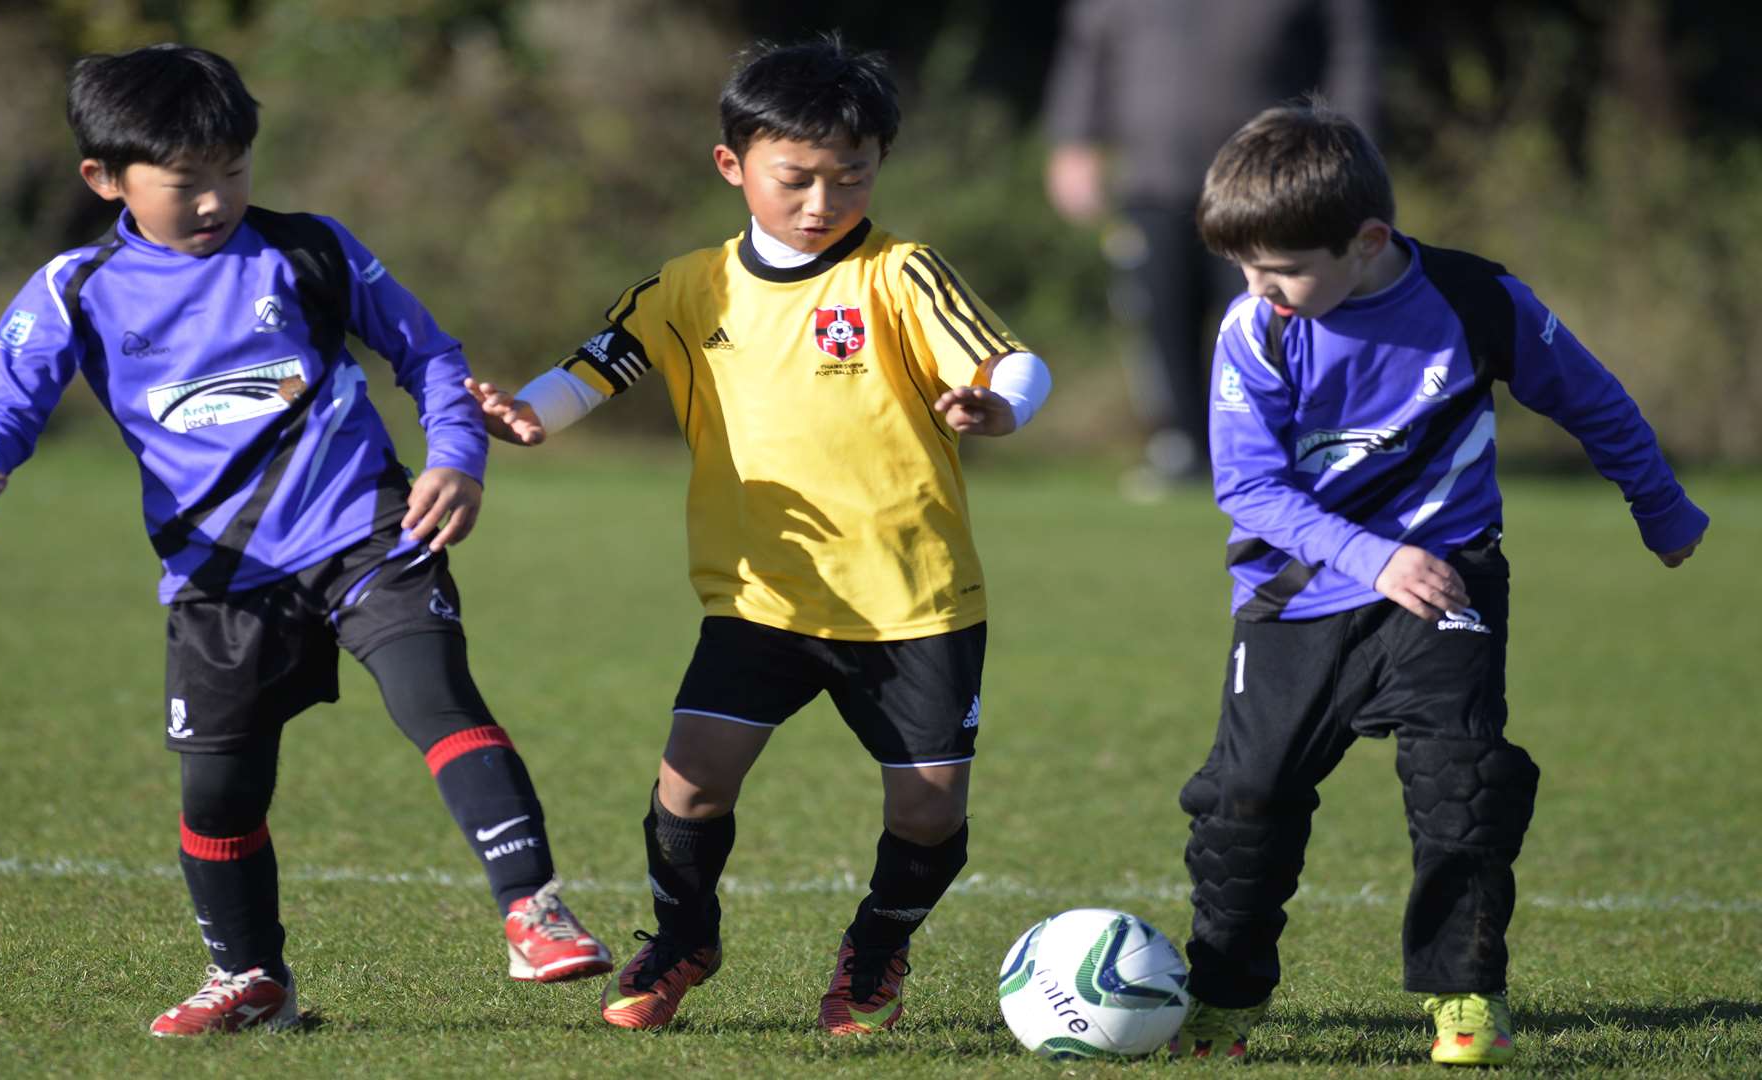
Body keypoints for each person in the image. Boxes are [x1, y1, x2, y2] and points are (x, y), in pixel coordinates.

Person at [0, 43, 611, 1037]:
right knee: (218, 788)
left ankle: (533, 907)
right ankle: (252, 980)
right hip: (221, 575)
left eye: (233, 172)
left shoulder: (310, 249)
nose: (215, 200)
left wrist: (456, 455)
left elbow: (427, 354)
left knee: (435, 695)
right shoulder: (77, 287)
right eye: (185, 184)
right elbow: (5, 392)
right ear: (104, 178)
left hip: (367, 524)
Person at [464, 34, 1052, 1035]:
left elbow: (1014, 360)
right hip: (760, 595)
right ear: (733, 166)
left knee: (929, 812)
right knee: (690, 784)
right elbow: (597, 367)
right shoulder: (691, 286)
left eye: (850, 176)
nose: (823, 202)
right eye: (797, 179)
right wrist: (530, 414)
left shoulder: (899, 274)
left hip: (913, 598)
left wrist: (1000, 405)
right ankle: (684, 936)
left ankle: (876, 951)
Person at [1166, 100, 1709, 1066]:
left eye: (1282, 270)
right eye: (1245, 271)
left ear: (1368, 240)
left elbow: (1596, 400)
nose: (1261, 290)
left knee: (1462, 783)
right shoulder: (1257, 329)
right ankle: (1223, 999)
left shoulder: (1477, 301)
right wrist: (1374, 557)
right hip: (1296, 591)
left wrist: (1661, 510)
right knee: (1244, 797)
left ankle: (1465, 997)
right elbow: (1248, 486)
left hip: (1450, 579)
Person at [1041, 0, 1376, 492]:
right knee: (1160, 314)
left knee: (1274, 315)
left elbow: (1354, 52)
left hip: (1273, 186)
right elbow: (1088, 48)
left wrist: (1353, 150)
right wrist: (1074, 141)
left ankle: (1291, 447)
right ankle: (1181, 446)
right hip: (1155, 179)